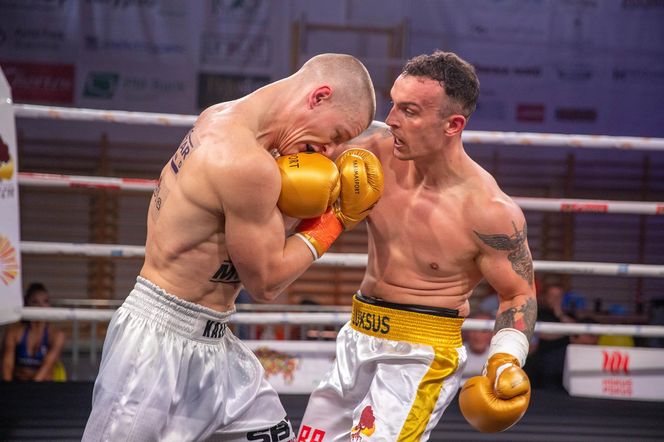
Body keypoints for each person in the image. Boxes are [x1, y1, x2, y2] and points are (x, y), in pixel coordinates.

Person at [83, 53, 382, 442]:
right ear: (319, 96)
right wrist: (336, 219)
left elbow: (244, 230)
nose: (329, 151)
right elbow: (267, 283)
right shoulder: (246, 163)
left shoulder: (225, 120)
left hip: (216, 344)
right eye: (338, 135)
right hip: (156, 349)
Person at [297, 50, 537, 441]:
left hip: (421, 354)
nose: (392, 119)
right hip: (357, 335)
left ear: (453, 124)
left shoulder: (489, 211)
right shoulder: (370, 154)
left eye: (409, 111)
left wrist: (505, 359)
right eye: (393, 103)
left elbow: (518, 293)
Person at [2, 283, 66, 382]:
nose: (41, 306)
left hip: (43, 387)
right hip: (18, 384)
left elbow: (47, 367)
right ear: (27, 304)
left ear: (49, 306)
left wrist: (30, 391)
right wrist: (8, 392)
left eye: (45, 302)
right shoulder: (14, 333)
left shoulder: (56, 336)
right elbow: (7, 366)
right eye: (35, 302)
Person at [526, 283, 575, 390]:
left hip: (562, 358)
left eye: (558, 296)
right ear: (546, 297)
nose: (555, 299)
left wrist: (559, 313)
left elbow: (575, 333)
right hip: (540, 356)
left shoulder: (568, 314)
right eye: (552, 296)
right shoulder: (537, 312)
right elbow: (541, 334)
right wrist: (565, 332)